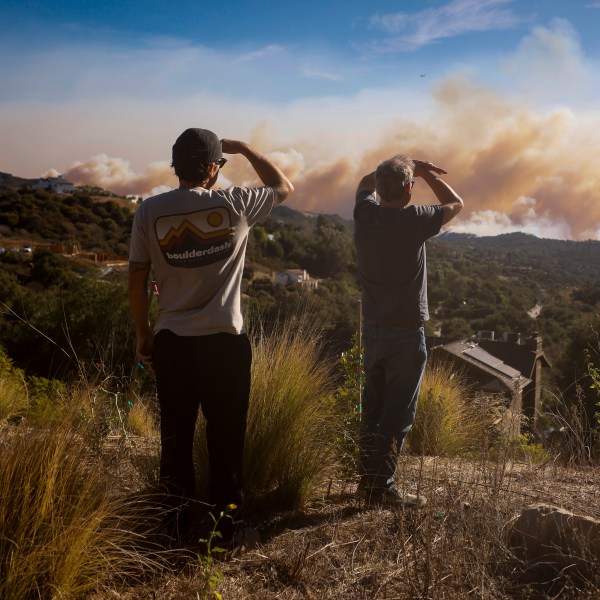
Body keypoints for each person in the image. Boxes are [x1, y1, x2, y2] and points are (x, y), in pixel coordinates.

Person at [128, 128, 294, 545]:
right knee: (226, 440)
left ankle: (175, 525)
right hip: (225, 343)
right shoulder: (235, 202)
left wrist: (143, 333)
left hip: (172, 343)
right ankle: (227, 529)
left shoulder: (149, 211)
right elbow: (283, 186)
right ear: (212, 168)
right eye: (218, 163)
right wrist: (244, 149)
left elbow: (136, 276)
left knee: (176, 438)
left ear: (175, 165)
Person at [353, 154, 463, 507]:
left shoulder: (364, 214)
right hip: (404, 334)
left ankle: (367, 483)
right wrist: (426, 172)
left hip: (371, 330)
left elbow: (364, 184)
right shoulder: (415, 219)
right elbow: (455, 203)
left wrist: (397, 172)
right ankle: (381, 488)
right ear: (409, 189)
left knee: (372, 409)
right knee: (397, 413)